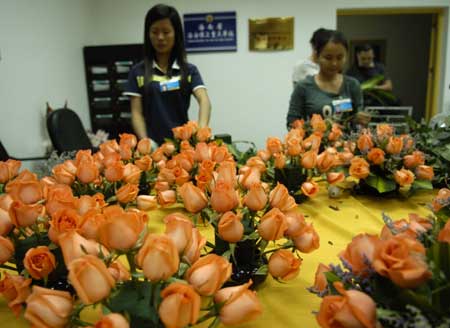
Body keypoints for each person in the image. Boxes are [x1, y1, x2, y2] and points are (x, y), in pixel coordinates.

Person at [124, 4, 211, 145]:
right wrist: (146, 142)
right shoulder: (137, 72)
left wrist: (201, 132)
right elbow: (136, 113)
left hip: (183, 146)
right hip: (152, 149)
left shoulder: (189, 71)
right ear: (148, 33)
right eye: (154, 32)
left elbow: (204, 101)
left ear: (176, 34)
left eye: (166, 32)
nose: (160, 37)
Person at [287, 29, 370, 128]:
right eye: (328, 58)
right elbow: (291, 124)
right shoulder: (303, 87)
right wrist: (318, 128)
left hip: (347, 143)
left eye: (339, 57)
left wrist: (361, 119)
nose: (334, 63)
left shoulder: (352, 85)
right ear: (317, 56)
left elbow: (359, 122)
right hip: (315, 142)